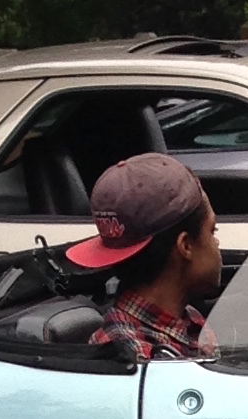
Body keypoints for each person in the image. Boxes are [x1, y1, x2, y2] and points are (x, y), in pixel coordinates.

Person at [66, 152, 223, 355]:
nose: (216, 243)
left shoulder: (187, 318)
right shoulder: (135, 354)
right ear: (185, 245)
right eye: (212, 231)